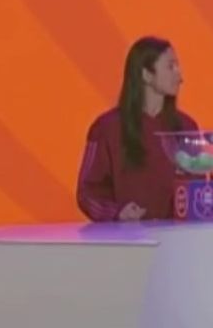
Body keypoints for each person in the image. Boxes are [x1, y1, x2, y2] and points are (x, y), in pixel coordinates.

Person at [77, 36, 199, 222]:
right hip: (126, 237)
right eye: (170, 66)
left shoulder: (186, 127)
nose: (179, 76)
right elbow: (87, 193)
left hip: (179, 235)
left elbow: (200, 181)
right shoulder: (106, 128)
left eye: (178, 66)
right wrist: (117, 213)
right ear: (146, 75)